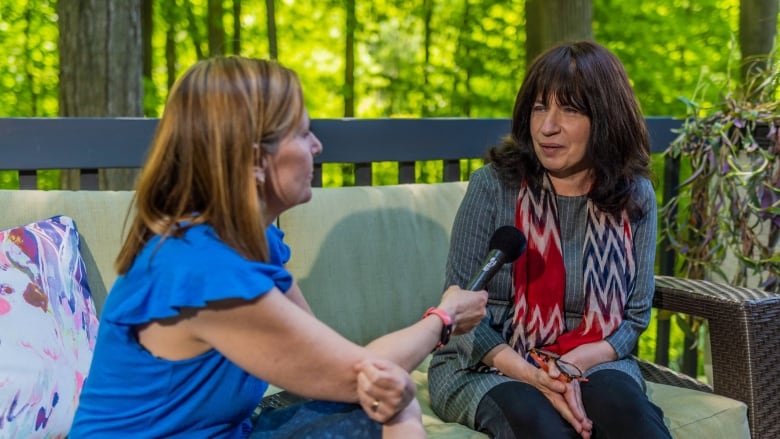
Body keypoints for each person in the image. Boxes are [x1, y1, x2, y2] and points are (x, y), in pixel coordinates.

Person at [69, 56, 488, 438]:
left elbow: (350, 367)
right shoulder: (203, 268)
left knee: (379, 404)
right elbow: (362, 376)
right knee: (393, 406)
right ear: (254, 160)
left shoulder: (251, 239)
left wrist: (441, 317)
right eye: (303, 133)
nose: (317, 147)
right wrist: (445, 317)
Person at [427, 40, 673, 439]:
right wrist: (536, 376)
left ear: (606, 118)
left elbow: (634, 317)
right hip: (488, 363)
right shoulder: (492, 187)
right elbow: (461, 314)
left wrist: (570, 367)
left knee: (629, 416)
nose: (547, 126)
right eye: (540, 107)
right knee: (539, 424)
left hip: (594, 359)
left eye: (570, 110)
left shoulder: (635, 195)